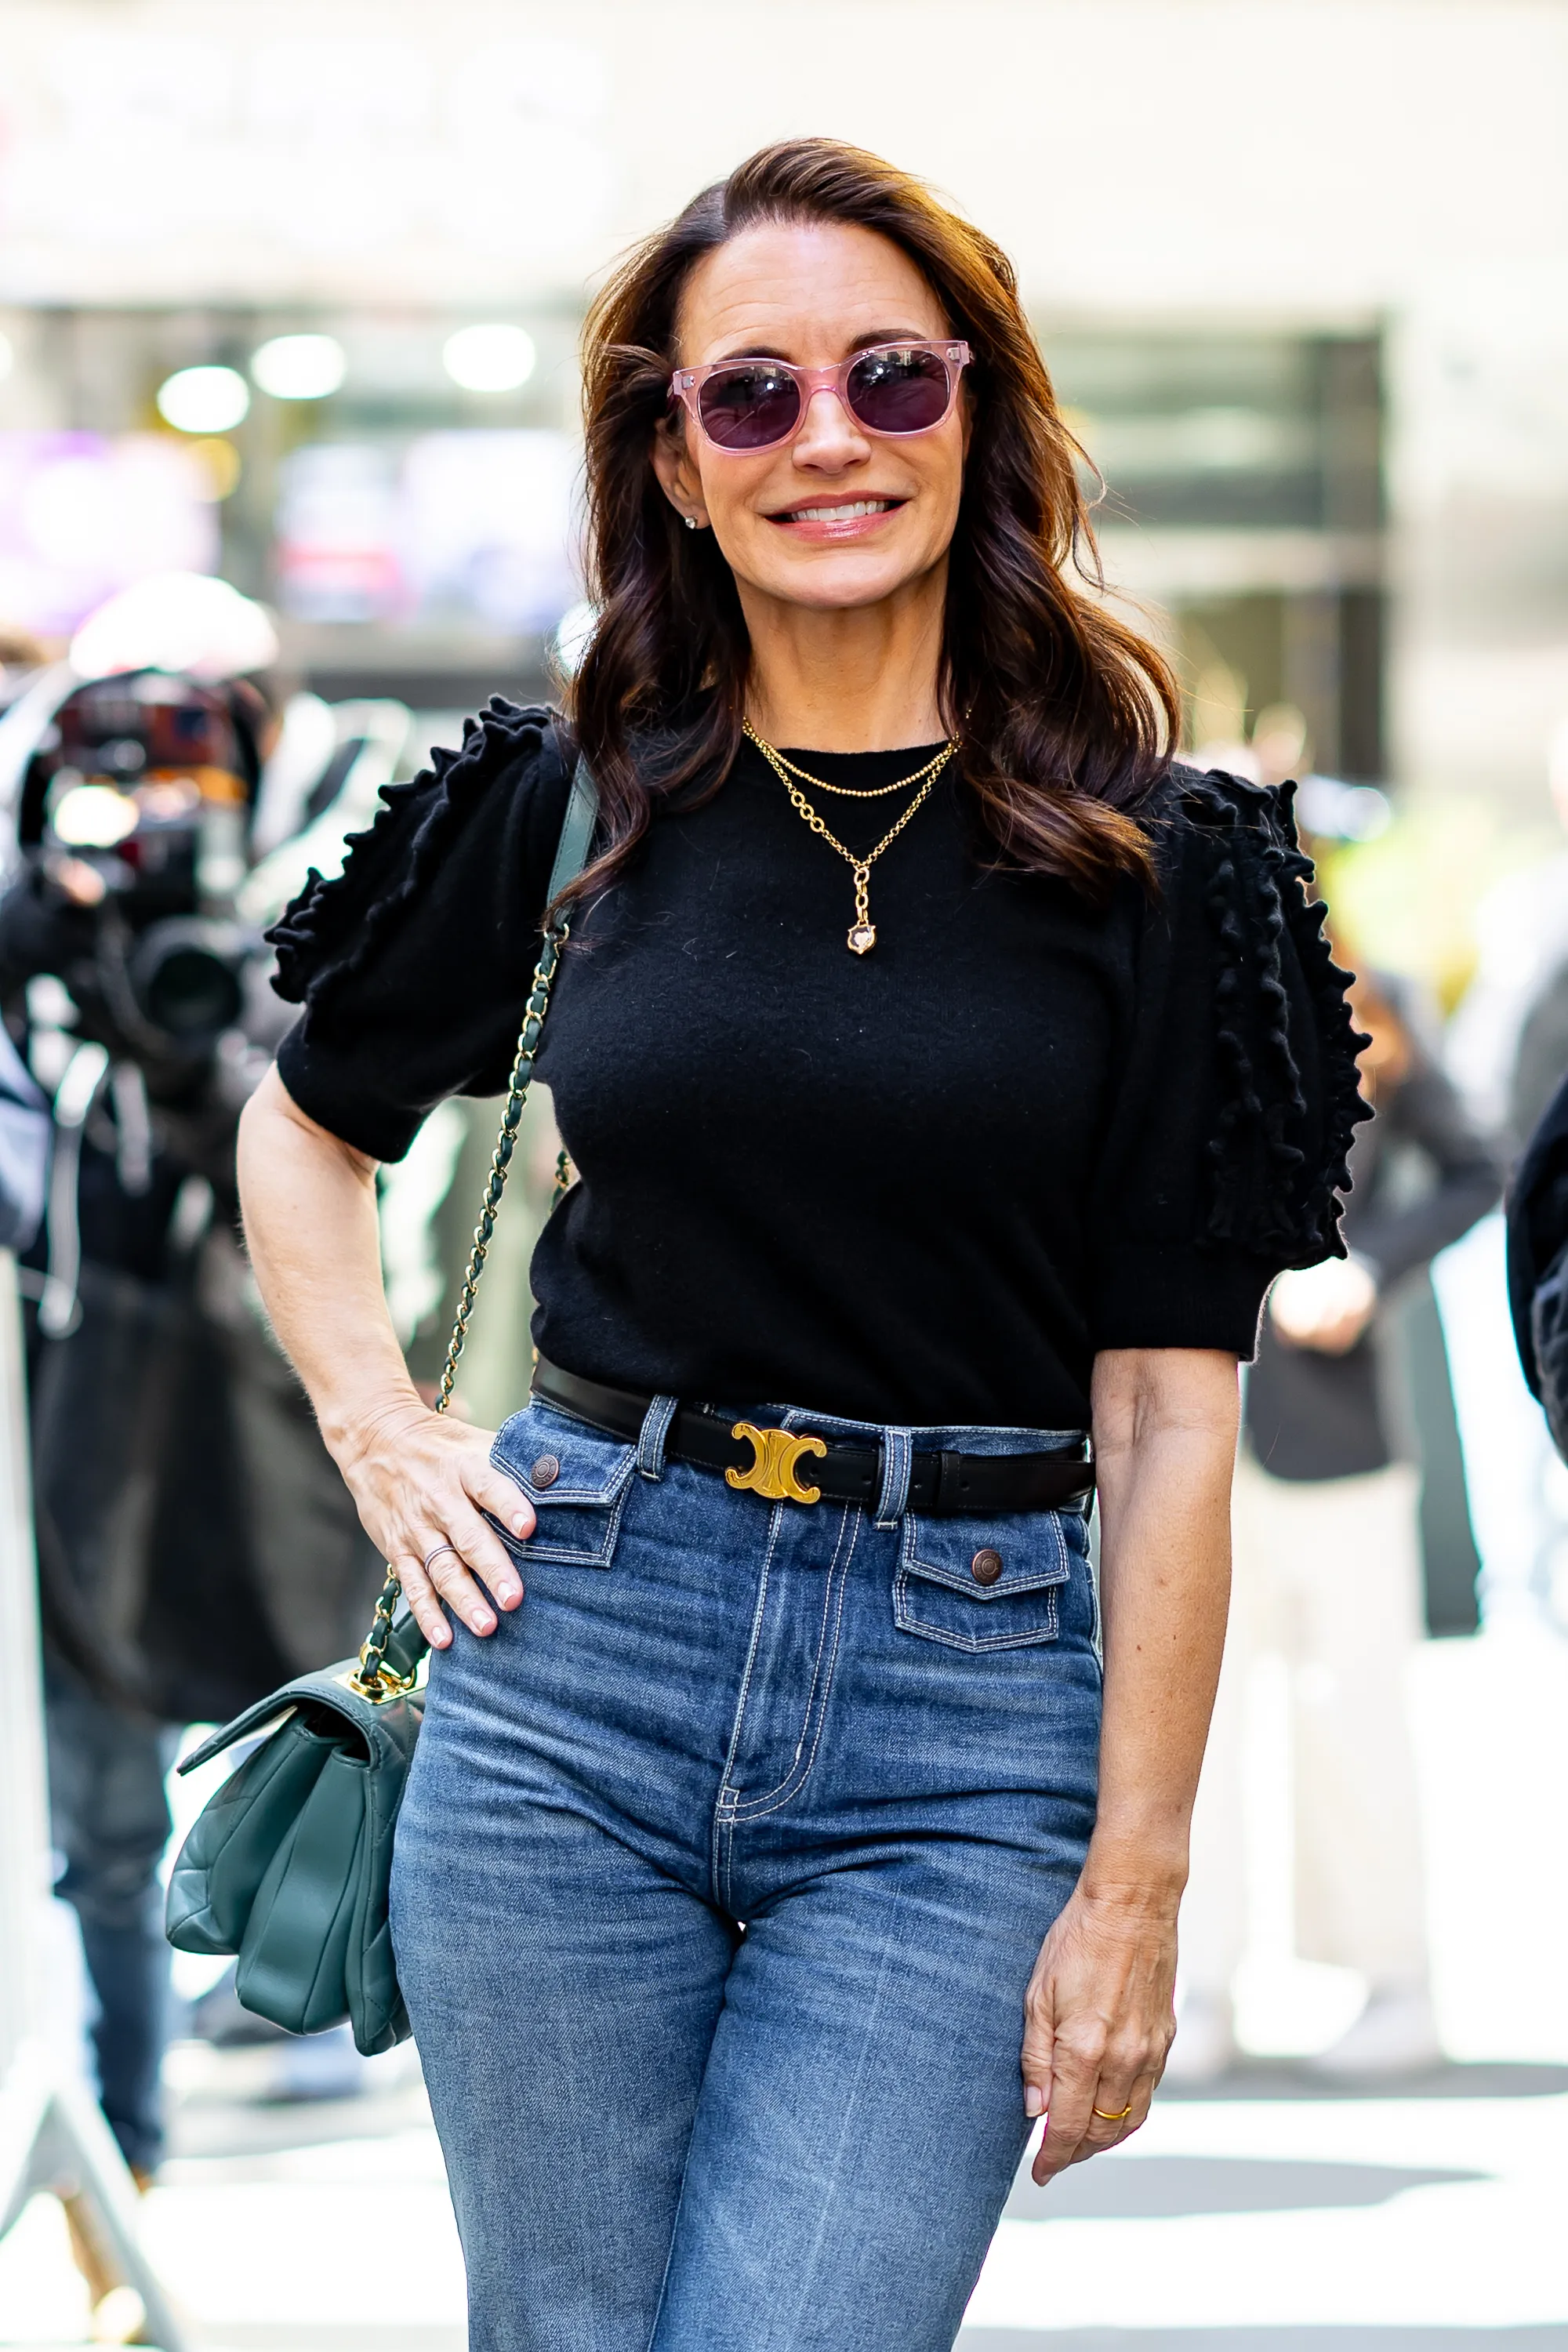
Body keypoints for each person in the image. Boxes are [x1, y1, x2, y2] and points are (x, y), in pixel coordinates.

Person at [237, 140, 1365, 2352]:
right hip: (575, 1650)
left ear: (983, 411)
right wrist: (381, 1433)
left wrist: (1139, 1875)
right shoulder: (575, 794)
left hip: (970, 1715)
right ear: (670, 452)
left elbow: (1162, 1419)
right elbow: (304, 1129)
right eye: (747, 395)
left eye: (888, 378)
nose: (825, 437)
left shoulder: (1163, 861)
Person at [1175, 967, 1497, 2082]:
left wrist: (1369, 1271)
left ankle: (1396, 1981)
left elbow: (1476, 1170)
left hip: (1339, 1428)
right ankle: (1196, 1983)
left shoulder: (1368, 990)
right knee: (1185, 1726)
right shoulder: (1143, 975)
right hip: (1183, 1432)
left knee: (1352, 1712)